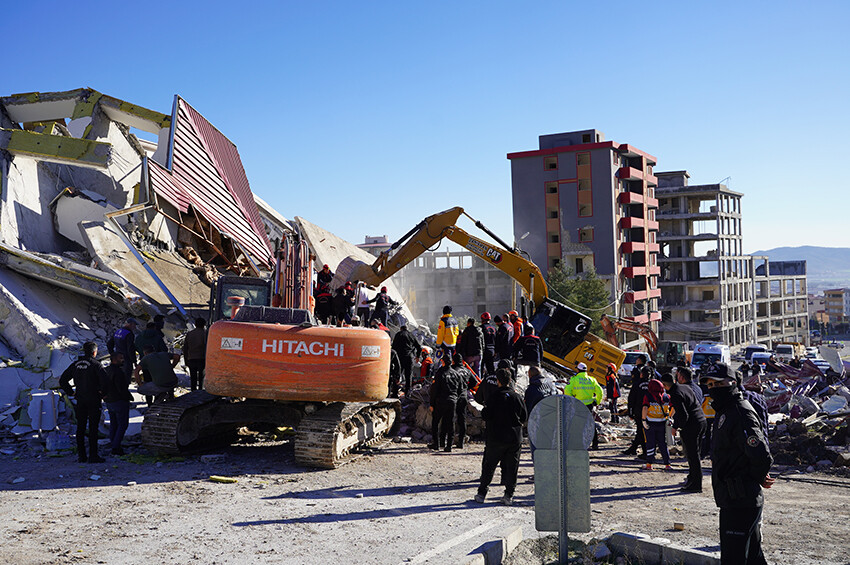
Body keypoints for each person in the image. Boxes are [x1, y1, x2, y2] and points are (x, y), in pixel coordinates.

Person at [700, 363, 774, 565]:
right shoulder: (725, 411)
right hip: (733, 497)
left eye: (718, 383)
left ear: (732, 383)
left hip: (741, 498)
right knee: (753, 558)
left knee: (734, 559)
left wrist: (758, 476)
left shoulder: (740, 412)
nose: (713, 388)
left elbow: (761, 454)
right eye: (710, 384)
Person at [474, 368, 528, 506]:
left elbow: (485, 415)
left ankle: (481, 494)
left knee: (489, 466)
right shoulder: (517, 397)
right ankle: (509, 495)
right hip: (514, 438)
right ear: (510, 381)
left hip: (496, 437)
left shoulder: (493, 397)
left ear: (498, 381)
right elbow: (524, 417)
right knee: (512, 467)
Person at [59, 342, 108, 463]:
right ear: (94, 352)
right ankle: (93, 455)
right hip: (93, 399)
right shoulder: (96, 365)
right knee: (93, 428)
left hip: (80, 400)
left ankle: (82, 456)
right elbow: (106, 382)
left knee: (80, 428)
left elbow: (63, 380)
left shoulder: (75, 364)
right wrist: (103, 394)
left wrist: (71, 392)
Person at [661, 371, 705, 490]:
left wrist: (677, 428)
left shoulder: (675, 393)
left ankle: (696, 485)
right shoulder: (684, 387)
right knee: (695, 454)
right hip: (701, 420)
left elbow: (683, 415)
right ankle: (692, 479)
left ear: (665, 385)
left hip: (692, 424)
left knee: (692, 456)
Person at [565, 362, 604, 450]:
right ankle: (595, 444)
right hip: (589, 405)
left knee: (576, 424)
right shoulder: (592, 380)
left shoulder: (574, 379)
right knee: (591, 424)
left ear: (578, 370)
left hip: (578, 405)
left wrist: (572, 400)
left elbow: (567, 390)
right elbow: (600, 392)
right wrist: (596, 401)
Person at [428, 356, 462, 451]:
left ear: (443, 362)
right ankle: (449, 445)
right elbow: (460, 389)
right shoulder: (456, 374)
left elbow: (434, 390)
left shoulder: (440, 373)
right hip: (452, 401)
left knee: (435, 422)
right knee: (450, 423)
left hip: (440, 401)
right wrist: (455, 398)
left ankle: (436, 444)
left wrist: (432, 404)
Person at [524, 366, 558, 457]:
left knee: (537, 445)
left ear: (530, 375)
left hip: (539, 420)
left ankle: (539, 462)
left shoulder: (532, 389)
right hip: (553, 418)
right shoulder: (551, 384)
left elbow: (528, 407)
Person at [103, 352, 132, 455]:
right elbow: (122, 388)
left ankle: (114, 443)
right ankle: (116, 447)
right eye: (121, 358)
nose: (123, 360)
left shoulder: (106, 370)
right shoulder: (119, 372)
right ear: (115, 359)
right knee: (122, 424)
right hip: (119, 401)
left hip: (109, 401)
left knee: (114, 424)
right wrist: (128, 398)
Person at [623, 365, 651, 458]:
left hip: (639, 412)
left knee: (641, 431)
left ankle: (645, 452)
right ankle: (635, 449)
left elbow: (631, 399)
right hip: (651, 413)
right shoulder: (653, 384)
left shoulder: (637, 384)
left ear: (641, 374)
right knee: (645, 432)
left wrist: (630, 412)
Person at [452, 353, 476, 449]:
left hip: (454, 396)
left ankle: (449, 441)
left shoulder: (452, 370)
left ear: (453, 361)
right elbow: (474, 382)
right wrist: (466, 388)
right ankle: (461, 442)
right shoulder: (467, 370)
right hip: (463, 396)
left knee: (450, 419)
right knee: (462, 419)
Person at [391, 325, 421, 394]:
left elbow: (394, 347)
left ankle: (395, 392)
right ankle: (408, 393)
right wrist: (417, 357)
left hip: (400, 358)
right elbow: (419, 347)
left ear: (401, 329)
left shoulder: (398, 334)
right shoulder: (411, 335)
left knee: (397, 374)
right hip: (409, 358)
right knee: (408, 376)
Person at [107, 317, 138, 381]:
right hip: (126, 358)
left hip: (117, 357)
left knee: (117, 377)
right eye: (134, 325)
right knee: (126, 378)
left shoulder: (118, 331)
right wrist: (134, 361)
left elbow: (109, 344)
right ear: (130, 324)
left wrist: (112, 354)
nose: (135, 327)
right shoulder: (129, 334)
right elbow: (130, 348)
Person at [182, 318, 207, 391]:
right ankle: (200, 392)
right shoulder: (206, 334)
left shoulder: (190, 334)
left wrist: (186, 359)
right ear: (204, 324)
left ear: (195, 324)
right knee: (201, 378)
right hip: (202, 359)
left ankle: (193, 392)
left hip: (191, 358)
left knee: (193, 378)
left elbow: (185, 348)